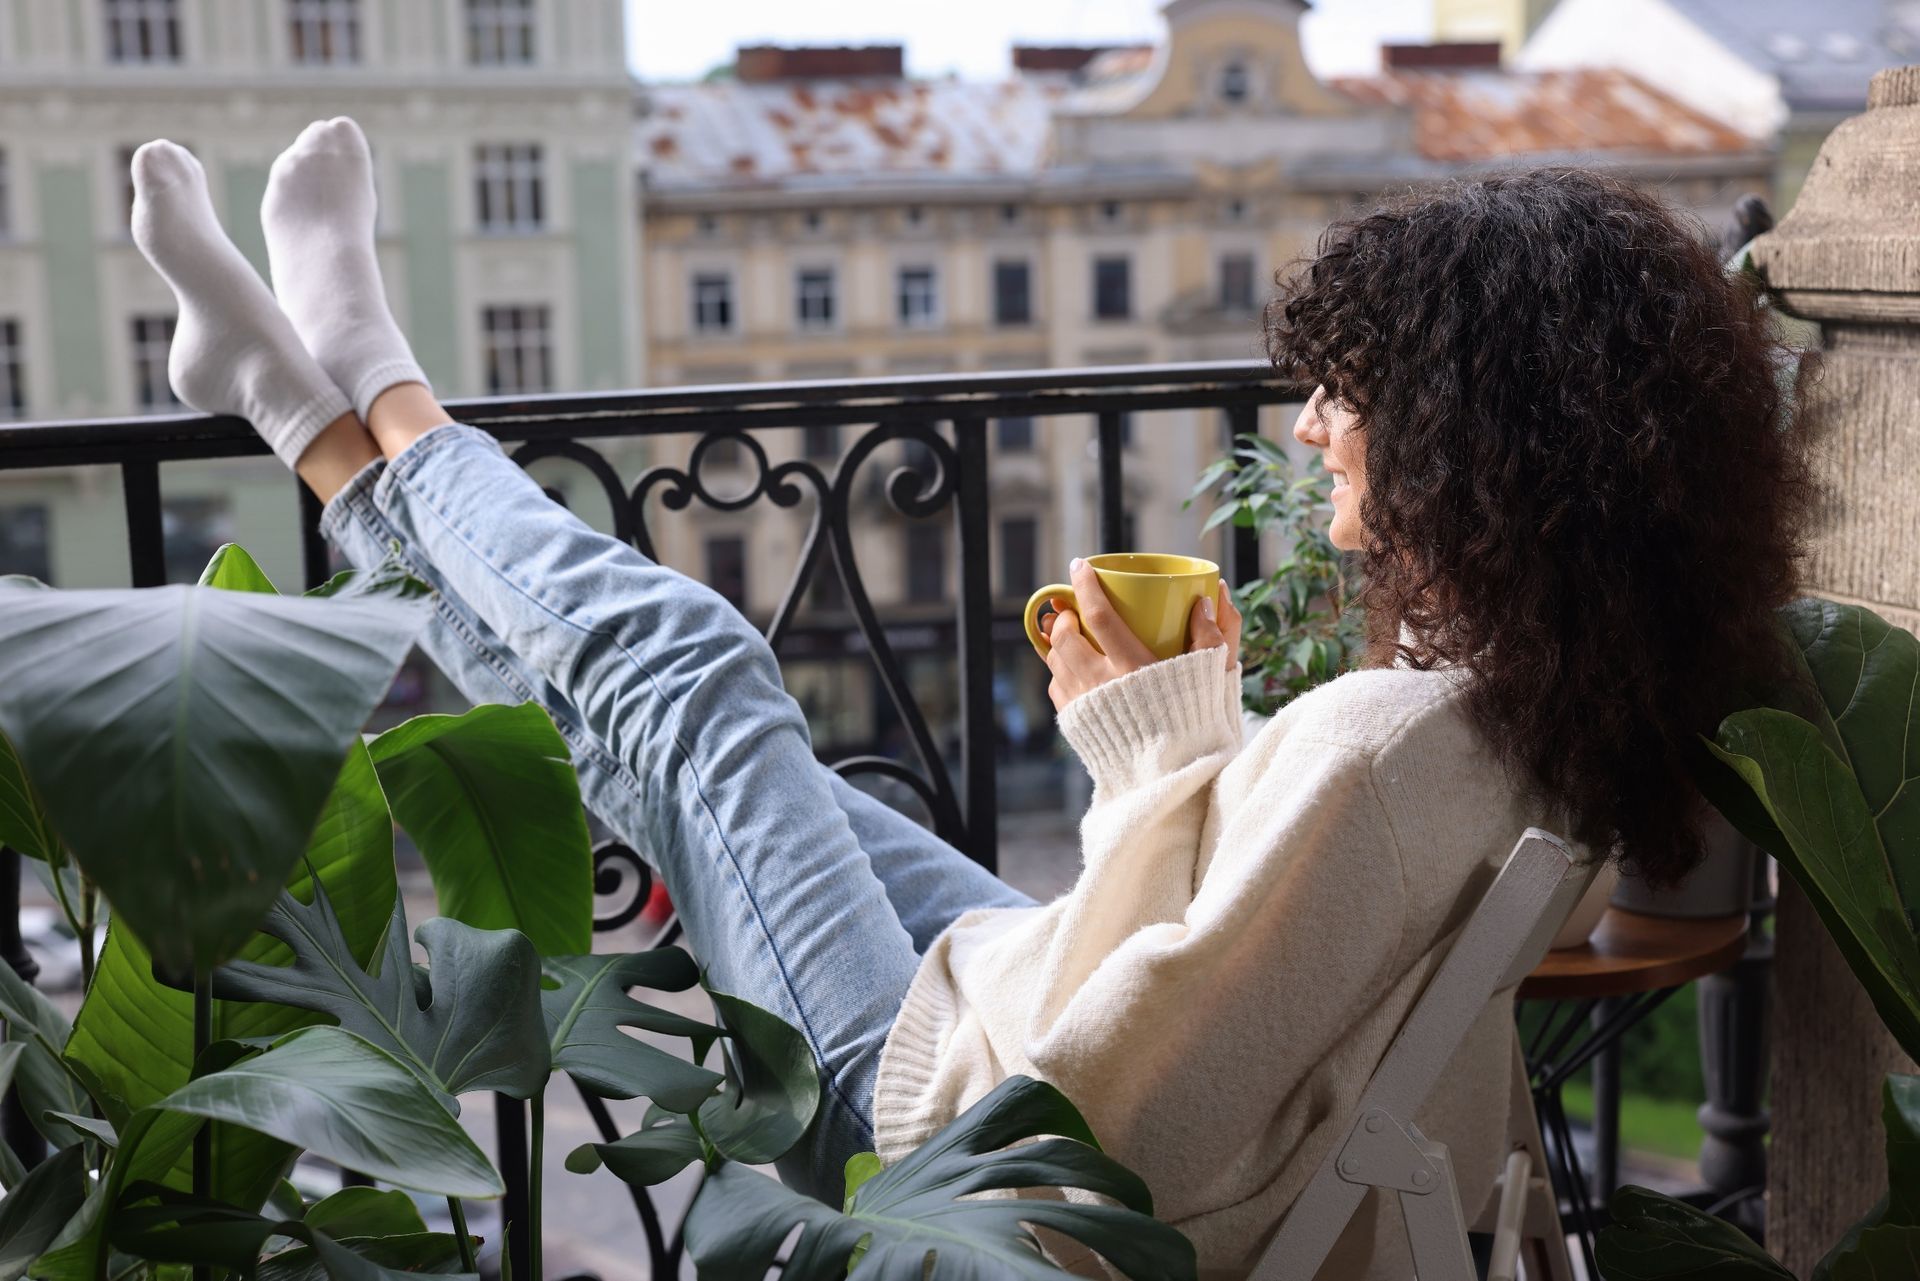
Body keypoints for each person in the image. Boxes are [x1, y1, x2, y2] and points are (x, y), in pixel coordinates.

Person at [127, 122, 1809, 1279]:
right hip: (1061, 1011)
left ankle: (379, 400)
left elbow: (1122, 1112)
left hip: (960, 1120)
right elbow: (1247, 956)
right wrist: (1183, 754)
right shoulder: (1531, 704)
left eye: (1344, 395)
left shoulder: (1382, 747)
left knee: (700, 683)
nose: (1307, 428)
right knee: (693, 752)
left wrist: (1141, 747)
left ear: (1472, 433)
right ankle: (314, 416)